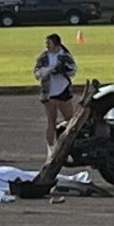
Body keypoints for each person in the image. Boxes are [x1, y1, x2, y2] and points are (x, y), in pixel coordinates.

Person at [32, 33, 77, 162]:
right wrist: (41, 73)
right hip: (48, 92)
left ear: (56, 44)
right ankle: (50, 150)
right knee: (51, 121)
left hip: (63, 91)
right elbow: (36, 69)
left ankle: (67, 149)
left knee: (70, 121)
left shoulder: (64, 55)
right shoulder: (44, 56)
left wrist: (59, 70)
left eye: (49, 43)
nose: (47, 46)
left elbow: (72, 70)